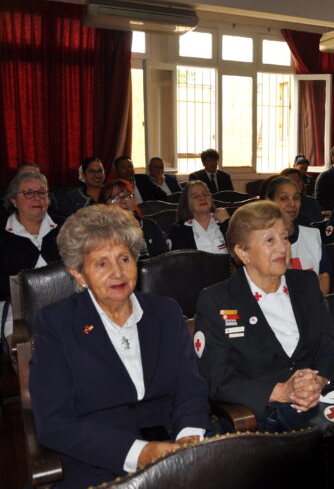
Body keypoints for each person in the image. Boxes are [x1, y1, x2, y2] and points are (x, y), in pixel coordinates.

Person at [29, 205, 211, 489]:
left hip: (177, 446)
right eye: (101, 263)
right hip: (101, 460)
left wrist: (189, 436)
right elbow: (55, 423)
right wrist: (139, 452)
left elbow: (190, 385)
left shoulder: (165, 312)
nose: (117, 273)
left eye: (124, 258)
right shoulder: (57, 324)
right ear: (78, 274)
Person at [194, 201, 334, 425]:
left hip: (322, 398)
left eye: (284, 238)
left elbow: (329, 348)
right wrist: (280, 391)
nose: (282, 247)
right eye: (269, 240)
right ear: (242, 252)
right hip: (266, 413)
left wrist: (319, 380)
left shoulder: (305, 284)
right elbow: (217, 379)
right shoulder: (217, 300)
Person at [0, 171, 62, 340]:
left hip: (66, 303)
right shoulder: (3, 234)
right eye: (28, 193)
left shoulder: (66, 227)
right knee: (26, 352)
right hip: (17, 310)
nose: (37, 198)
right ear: (14, 200)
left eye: (41, 192)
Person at [266, 177, 331, 295]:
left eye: (296, 198)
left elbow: (323, 275)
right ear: (269, 202)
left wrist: (315, 304)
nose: (292, 204)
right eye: (284, 198)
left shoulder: (313, 235)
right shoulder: (260, 240)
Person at [99, 179, 168, 258]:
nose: (123, 201)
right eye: (115, 197)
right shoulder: (101, 232)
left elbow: (166, 261)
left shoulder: (149, 225)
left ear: (134, 200)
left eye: (127, 196)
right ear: (104, 205)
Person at [168, 180, 230, 254]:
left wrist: (227, 223)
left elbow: (241, 253)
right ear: (187, 203)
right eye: (196, 196)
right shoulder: (178, 230)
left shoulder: (223, 222)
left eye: (205, 194)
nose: (202, 198)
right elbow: (178, 262)